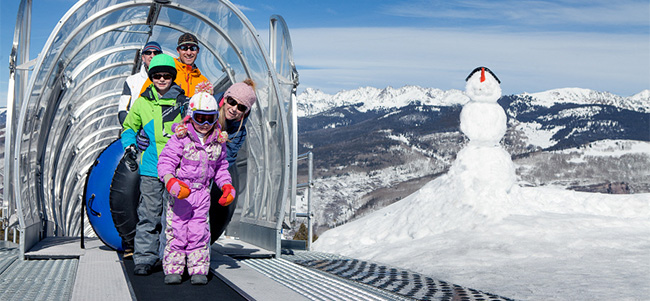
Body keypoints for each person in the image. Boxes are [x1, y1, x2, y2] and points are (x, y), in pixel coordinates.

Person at [157, 88, 235, 285]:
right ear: (191, 117)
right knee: (177, 230)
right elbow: (166, 161)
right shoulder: (181, 138)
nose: (205, 124)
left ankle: (198, 268)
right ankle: (174, 268)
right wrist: (171, 181)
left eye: (210, 119)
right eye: (200, 118)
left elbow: (221, 167)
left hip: (202, 193)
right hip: (182, 192)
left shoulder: (217, 142)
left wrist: (226, 186)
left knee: (199, 231)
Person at [121, 53, 189, 276]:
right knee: (149, 213)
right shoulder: (143, 102)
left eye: (166, 76)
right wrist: (131, 145)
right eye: (157, 75)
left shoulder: (182, 103)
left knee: (173, 216)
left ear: (172, 77)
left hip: (176, 170)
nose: (162, 80)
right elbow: (129, 126)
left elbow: (197, 128)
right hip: (151, 167)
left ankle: (171, 258)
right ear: (151, 77)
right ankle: (144, 257)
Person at [209, 79, 257, 243]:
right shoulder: (207, 109)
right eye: (232, 102)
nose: (234, 109)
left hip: (210, 170)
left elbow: (225, 160)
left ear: (245, 112)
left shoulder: (238, 131)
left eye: (241, 107)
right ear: (225, 99)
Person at [140, 32, 209, 98]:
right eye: (184, 48)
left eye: (192, 48)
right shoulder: (166, 69)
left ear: (198, 50)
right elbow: (143, 98)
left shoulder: (203, 82)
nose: (188, 52)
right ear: (178, 50)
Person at [117, 41, 162, 126]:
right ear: (143, 57)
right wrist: (131, 129)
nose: (152, 55)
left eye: (156, 53)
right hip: (137, 130)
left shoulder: (169, 80)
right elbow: (123, 109)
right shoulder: (132, 81)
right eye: (148, 53)